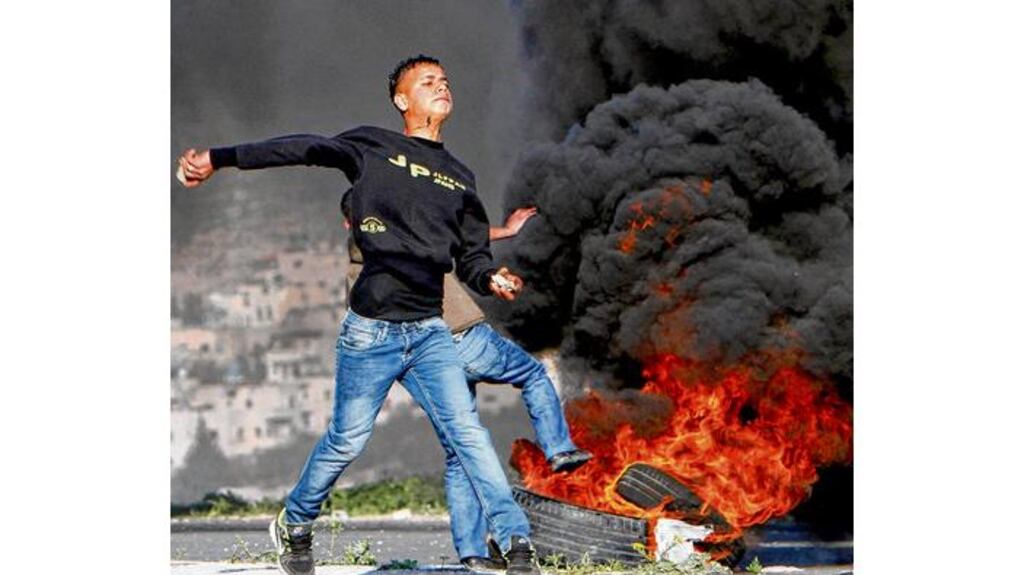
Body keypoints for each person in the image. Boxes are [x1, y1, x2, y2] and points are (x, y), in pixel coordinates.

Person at [177, 55, 540, 575]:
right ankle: (295, 522)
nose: (442, 87)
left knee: (468, 432)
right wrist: (220, 156)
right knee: (346, 439)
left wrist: (491, 278)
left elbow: (472, 254)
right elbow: (303, 147)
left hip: (431, 332)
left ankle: (515, 540)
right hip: (372, 332)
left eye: (445, 81)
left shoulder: (460, 176)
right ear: (402, 99)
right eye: (428, 82)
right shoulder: (373, 146)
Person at [342, 196, 592, 571]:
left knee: (460, 453)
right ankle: (558, 449)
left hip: (422, 362)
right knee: (533, 374)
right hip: (459, 338)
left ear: (348, 224)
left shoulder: (357, 266)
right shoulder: (405, 228)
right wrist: (505, 233)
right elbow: (457, 234)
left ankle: (473, 552)